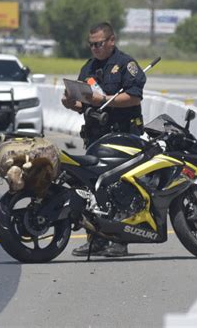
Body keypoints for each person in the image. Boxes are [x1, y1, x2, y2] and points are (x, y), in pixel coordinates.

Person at [62, 22, 146, 257]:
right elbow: (83, 103)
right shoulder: (88, 68)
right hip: (95, 136)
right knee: (91, 188)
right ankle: (96, 239)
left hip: (122, 135)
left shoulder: (125, 64)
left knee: (120, 188)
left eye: (99, 44)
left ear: (111, 41)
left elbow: (134, 97)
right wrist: (71, 103)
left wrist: (104, 99)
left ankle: (120, 240)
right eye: (91, 45)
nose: (94, 49)